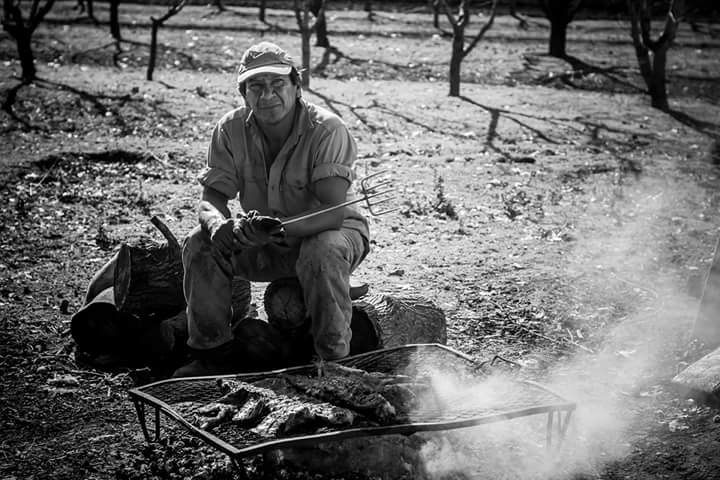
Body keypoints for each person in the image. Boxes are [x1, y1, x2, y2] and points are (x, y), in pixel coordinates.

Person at [173, 41, 370, 377]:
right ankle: (213, 355)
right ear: (243, 93)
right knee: (199, 242)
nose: (267, 96)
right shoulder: (229, 128)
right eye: (256, 86)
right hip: (260, 239)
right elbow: (211, 200)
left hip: (327, 235)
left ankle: (334, 362)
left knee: (322, 249)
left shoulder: (327, 129)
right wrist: (220, 225)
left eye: (277, 84)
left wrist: (277, 228)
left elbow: (333, 213)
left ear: (296, 86)